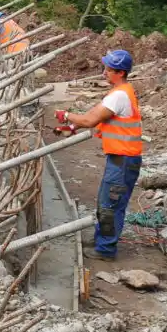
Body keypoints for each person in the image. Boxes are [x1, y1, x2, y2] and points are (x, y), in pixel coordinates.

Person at [55, 49, 143, 260]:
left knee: (110, 206)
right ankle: (101, 241)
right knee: (107, 202)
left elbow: (90, 120)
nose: (104, 72)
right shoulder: (119, 93)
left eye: (108, 69)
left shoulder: (120, 95)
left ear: (120, 72)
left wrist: (66, 115)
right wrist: (72, 127)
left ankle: (105, 250)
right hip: (121, 159)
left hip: (123, 161)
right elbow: (94, 118)